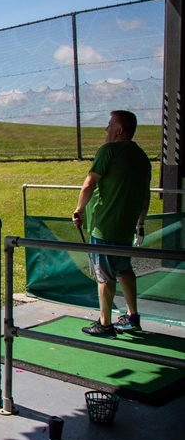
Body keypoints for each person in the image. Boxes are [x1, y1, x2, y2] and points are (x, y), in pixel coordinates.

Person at [72, 109, 151, 337]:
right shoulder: (142, 157)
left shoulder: (109, 150)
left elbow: (88, 185)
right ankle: (132, 317)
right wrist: (140, 224)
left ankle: (105, 325)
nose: (106, 129)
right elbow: (145, 196)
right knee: (124, 270)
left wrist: (78, 210)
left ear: (120, 130)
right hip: (126, 229)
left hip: (104, 227)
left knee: (104, 277)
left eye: (110, 125)